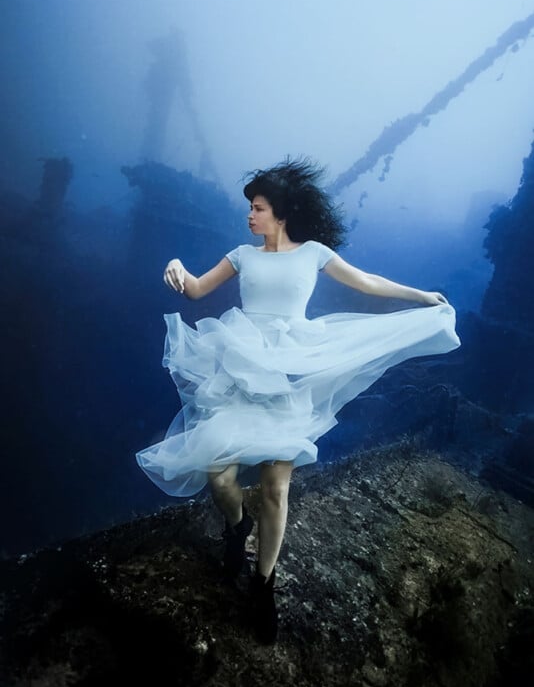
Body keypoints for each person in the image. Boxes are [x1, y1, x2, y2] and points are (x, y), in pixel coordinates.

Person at [136, 158, 460, 644]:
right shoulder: (241, 255)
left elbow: (368, 282)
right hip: (239, 366)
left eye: (258, 207)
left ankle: (262, 584)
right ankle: (236, 525)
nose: (249, 215)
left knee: (275, 487)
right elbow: (197, 289)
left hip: (290, 371)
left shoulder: (313, 253)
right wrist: (177, 266)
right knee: (219, 477)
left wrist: (420, 296)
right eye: (250, 207)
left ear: (281, 213)